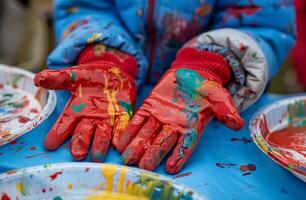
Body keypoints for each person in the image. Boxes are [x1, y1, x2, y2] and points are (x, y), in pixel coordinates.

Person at [34, 0, 296, 174]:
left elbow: (264, 23)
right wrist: (104, 55)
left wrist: (213, 62)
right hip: (107, 91)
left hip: (206, 103)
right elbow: (82, 6)